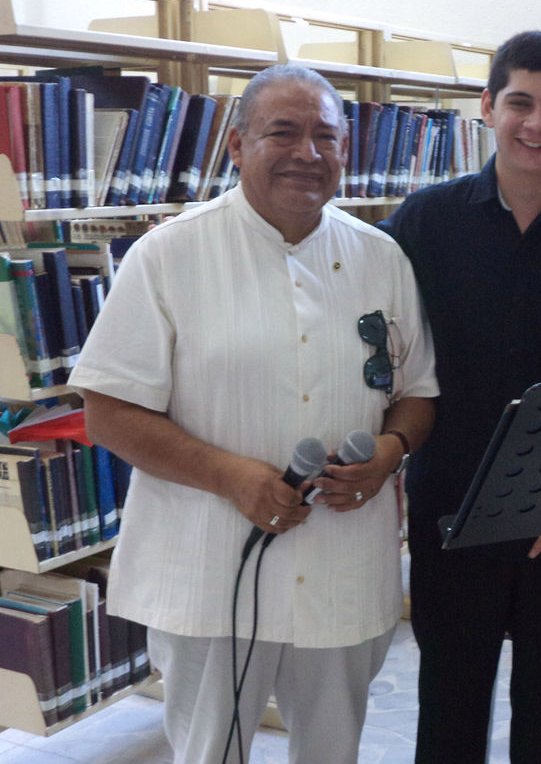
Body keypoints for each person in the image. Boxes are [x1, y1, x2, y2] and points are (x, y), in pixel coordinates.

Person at [68, 65, 438, 764]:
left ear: (346, 149)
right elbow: (109, 412)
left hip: (343, 564)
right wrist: (230, 476)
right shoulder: (169, 255)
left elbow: (418, 391)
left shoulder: (381, 257)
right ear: (237, 145)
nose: (308, 153)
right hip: (212, 571)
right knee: (213, 752)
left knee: (332, 752)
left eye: (326, 136)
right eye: (283, 133)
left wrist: (391, 451)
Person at [378, 30, 541, 764]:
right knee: (449, 713)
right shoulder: (424, 223)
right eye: (520, 103)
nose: (536, 123)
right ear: (488, 107)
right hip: (452, 508)